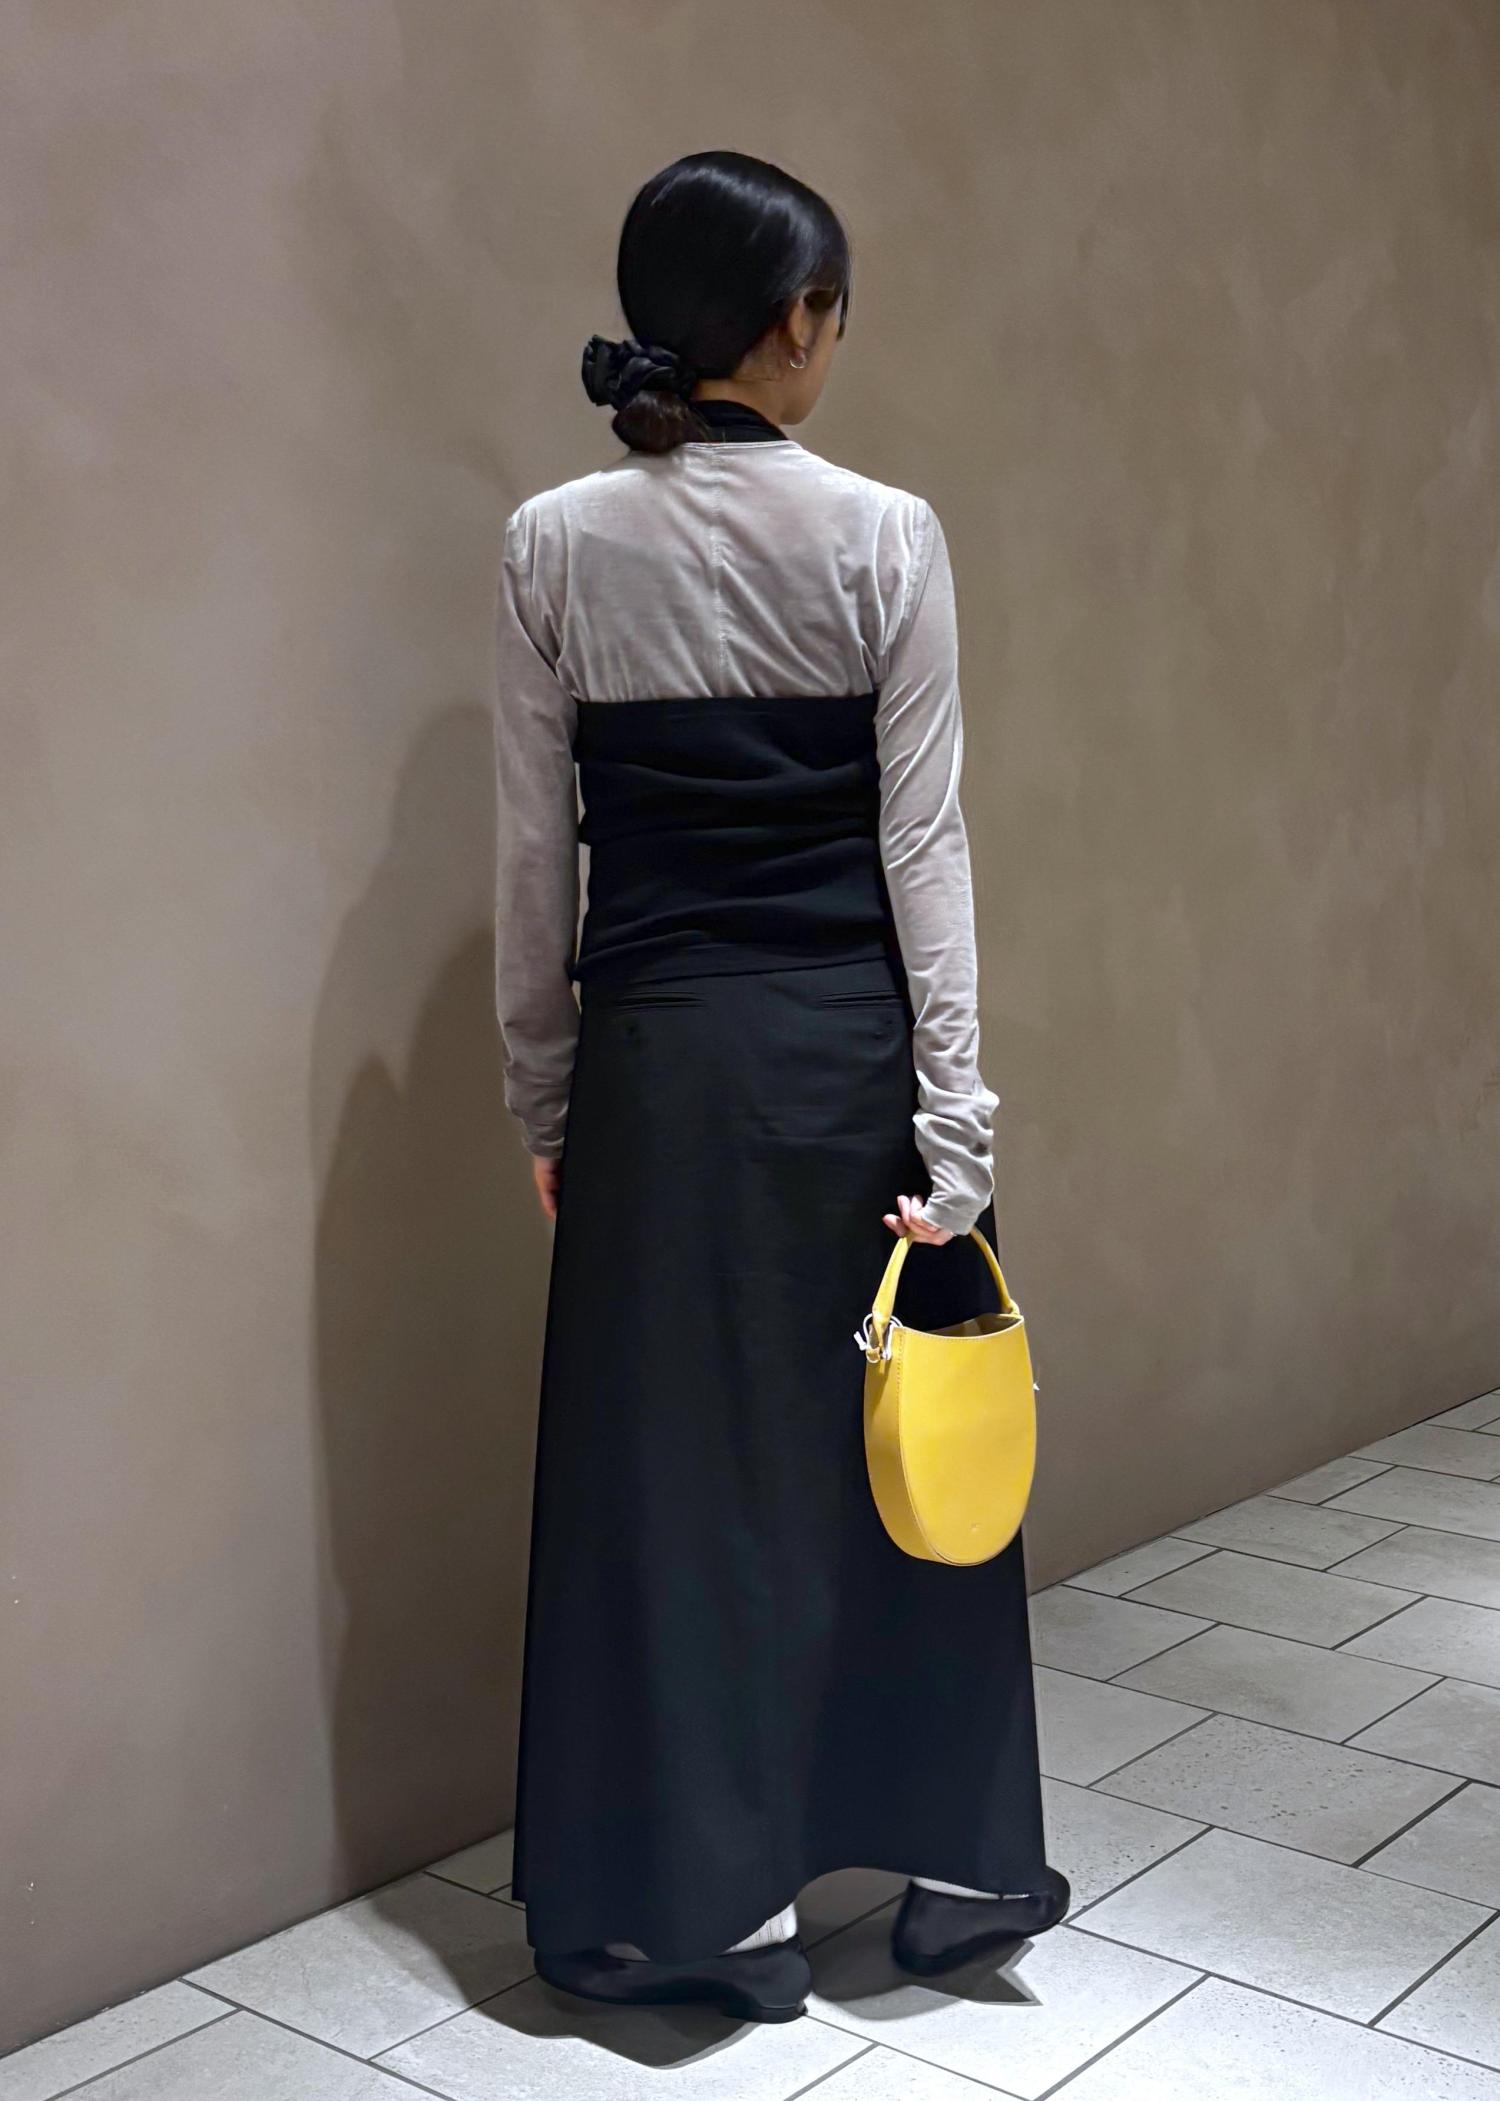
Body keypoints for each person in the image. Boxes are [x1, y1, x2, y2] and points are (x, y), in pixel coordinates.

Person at [490, 149, 1067, 2025]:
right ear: (794, 323)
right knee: (897, 1447)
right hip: (849, 1061)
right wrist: (959, 1128)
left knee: (678, 1489)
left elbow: (536, 868)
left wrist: (548, 1105)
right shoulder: (887, 534)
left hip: (661, 1075)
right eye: (833, 306)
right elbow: (926, 850)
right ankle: (957, 1865)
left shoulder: (551, 543)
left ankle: (712, 1909)